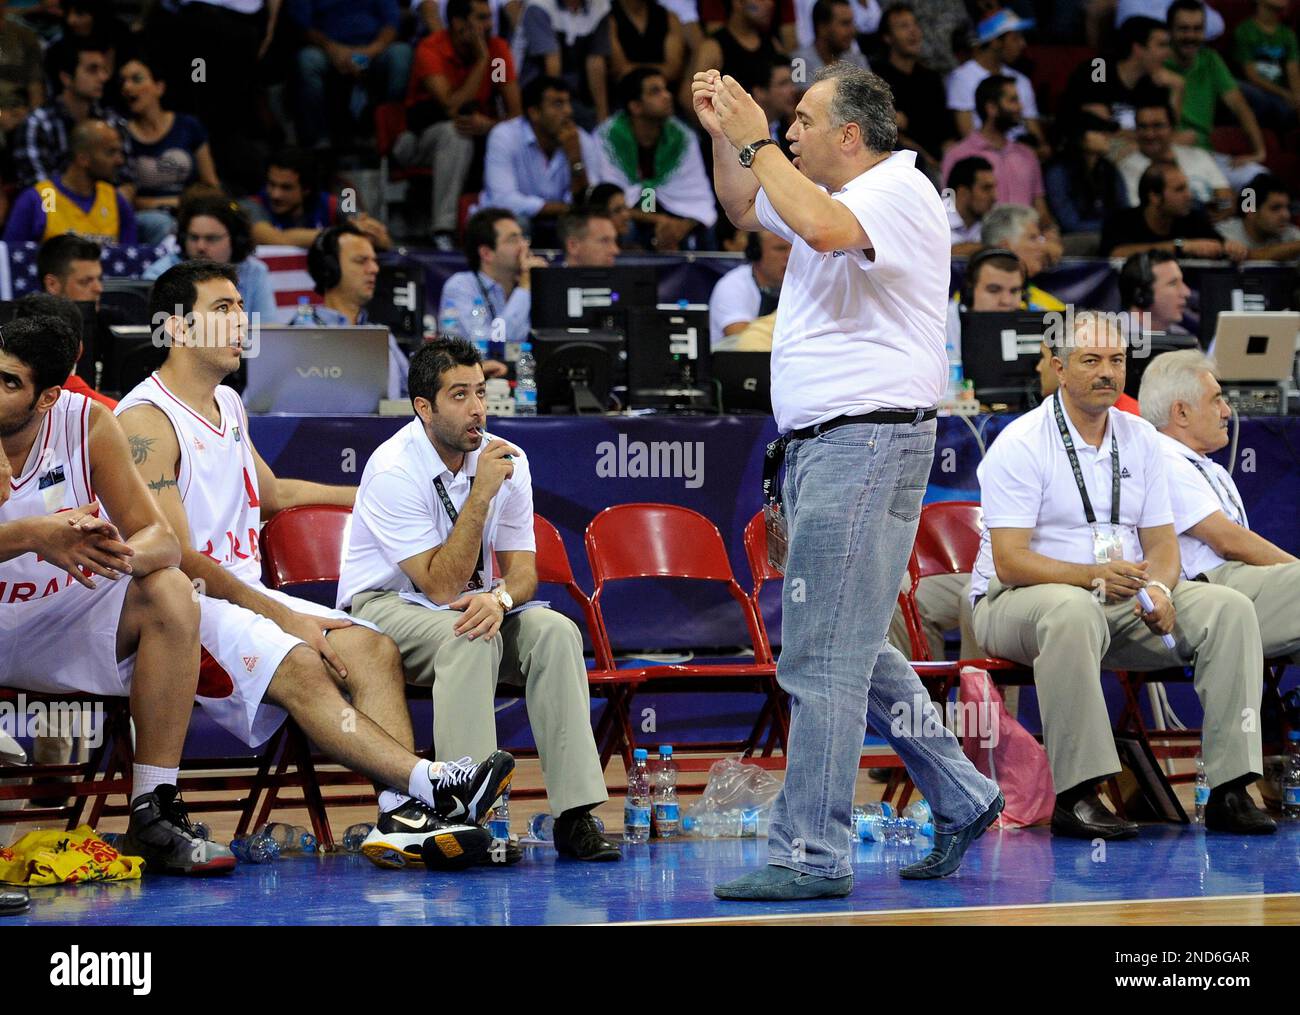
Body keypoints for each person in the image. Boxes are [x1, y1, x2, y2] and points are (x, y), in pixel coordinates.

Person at [697, 61, 1003, 899]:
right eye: (785, 122)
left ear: (850, 136)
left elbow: (823, 226)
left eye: (802, 119)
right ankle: (964, 791)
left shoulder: (898, 193)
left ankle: (813, 852)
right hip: (825, 449)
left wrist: (756, 137)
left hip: (865, 444)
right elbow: (744, 205)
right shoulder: (819, 199)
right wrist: (730, 134)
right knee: (851, 645)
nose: (788, 132)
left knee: (819, 653)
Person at [117, 261, 517, 870]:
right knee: (304, 659)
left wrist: (373, 497)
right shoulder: (146, 419)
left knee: (372, 646)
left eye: (238, 308)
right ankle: (433, 783)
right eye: (221, 309)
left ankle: (397, 817)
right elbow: (181, 558)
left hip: (242, 595)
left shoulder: (226, 401)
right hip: (185, 606)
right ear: (175, 328)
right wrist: (282, 614)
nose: (239, 322)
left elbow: (274, 493)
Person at [970, 310, 1274, 838]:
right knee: (1071, 610)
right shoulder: (1021, 443)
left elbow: (1160, 543)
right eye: (1091, 360)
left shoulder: (1140, 439)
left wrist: (1158, 586)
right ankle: (1077, 793)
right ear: (1060, 368)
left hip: (1119, 596)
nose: (1107, 372)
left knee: (1228, 609)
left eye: (1117, 360)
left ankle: (1230, 788)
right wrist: (1091, 576)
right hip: (1014, 600)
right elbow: (1010, 561)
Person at [337, 338, 623, 862]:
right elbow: (438, 586)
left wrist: (500, 597)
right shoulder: (393, 469)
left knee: (556, 634)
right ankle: (465, 820)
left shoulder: (508, 458)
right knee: (467, 634)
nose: (477, 409)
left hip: (470, 605)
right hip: (383, 610)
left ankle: (575, 815)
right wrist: (481, 495)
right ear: (423, 407)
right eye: (458, 395)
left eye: (481, 393)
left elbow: (524, 572)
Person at [0, 314, 238, 874]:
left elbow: (161, 539)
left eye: (10, 381)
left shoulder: (88, 423)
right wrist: (35, 534)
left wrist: (108, 550)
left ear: (47, 397)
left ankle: (153, 808)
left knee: (170, 590)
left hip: (55, 619)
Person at [1139, 349, 1299, 664]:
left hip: (1240, 583)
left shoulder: (1204, 464)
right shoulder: (1161, 459)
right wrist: (1293, 570)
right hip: (1207, 591)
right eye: (1216, 400)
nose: (1227, 410)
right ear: (1181, 413)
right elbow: (1228, 542)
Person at [399, 0, 523, 249]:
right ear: (458, 23)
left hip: (477, 132)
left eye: (490, 17)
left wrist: (490, 126)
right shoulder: (431, 49)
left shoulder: (496, 52)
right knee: (455, 134)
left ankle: (511, 225)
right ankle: (443, 230)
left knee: (509, 135)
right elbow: (451, 107)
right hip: (419, 139)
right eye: (481, 18)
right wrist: (481, 61)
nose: (489, 25)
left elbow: (515, 112)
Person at [594, 68, 718, 249]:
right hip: (632, 211)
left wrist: (682, 225)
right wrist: (660, 219)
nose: (667, 96)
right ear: (635, 106)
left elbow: (698, 197)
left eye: (666, 89)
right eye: (655, 91)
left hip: (668, 209)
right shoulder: (608, 137)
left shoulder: (682, 137)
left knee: (706, 228)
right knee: (626, 227)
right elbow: (607, 200)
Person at [1164, 0, 1269, 193]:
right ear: (1169, 31)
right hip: (1170, 156)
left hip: (1206, 154)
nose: (1191, 36)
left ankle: (1248, 216)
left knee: (1259, 181)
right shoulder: (1157, 63)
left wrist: (1258, 151)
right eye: (1183, 29)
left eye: (1197, 29)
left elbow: (1239, 106)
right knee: (1199, 191)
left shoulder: (1210, 59)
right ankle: (1222, 213)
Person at [117, 53, 220, 246]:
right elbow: (124, 198)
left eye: (136, 79)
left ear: (159, 87)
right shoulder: (120, 134)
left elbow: (211, 184)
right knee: (164, 225)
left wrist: (183, 206)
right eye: (123, 81)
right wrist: (169, 204)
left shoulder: (188, 126)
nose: (127, 87)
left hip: (191, 211)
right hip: (147, 218)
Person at [299, 224, 412, 399]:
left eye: (374, 261)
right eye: (361, 261)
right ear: (330, 267)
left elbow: (414, 401)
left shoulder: (384, 338)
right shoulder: (298, 335)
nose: (374, 269)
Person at [480, 75, 602, 237]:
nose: (568, 111)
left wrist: (576, 159)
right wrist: (563, 208)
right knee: (517, 224)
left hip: (560, 219)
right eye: (558, 104)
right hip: (510, 218)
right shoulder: (504, 135)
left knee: (589, 227)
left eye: (568, 103)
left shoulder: (580, 140)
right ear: (534, 112)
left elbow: (588, 201)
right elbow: (503, 200)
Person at [940, 76, 1057, 235]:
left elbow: (1041, 209)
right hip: (977, 245)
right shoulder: (957, 154)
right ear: (992, 108)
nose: (1020, 107)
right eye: (1013, 100)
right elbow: (948, 208)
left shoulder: (1027, 155)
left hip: (1026, 245)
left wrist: (1051, 234)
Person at [288, 0, 413, 149]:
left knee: (401, 54)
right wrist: (333, 49)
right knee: (307, 60)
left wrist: (367, 53)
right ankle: (318, 142)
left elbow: (392, 22)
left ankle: (392, 136)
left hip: (373, 50)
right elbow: (303, 26)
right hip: (329, 50)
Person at [12, 37, 130, 191]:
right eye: (92, 70)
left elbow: (126, 180)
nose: (103, 77)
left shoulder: (112, 122)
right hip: (54, 212)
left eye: (104, 70)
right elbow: (40, 191)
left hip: (104, 211)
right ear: (66, 78)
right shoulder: (38, 125)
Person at [143, 193, 279, 324]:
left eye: (211, 238)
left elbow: (268, 333)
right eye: (194, 237)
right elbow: (155, 339)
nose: (200, 246)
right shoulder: (160, 275)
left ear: (236, 240)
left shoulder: (255, 272)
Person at [3, 119, 137, 245]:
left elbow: (130, 258)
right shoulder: (38, 198)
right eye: (110, 152)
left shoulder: (115, 201)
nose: (120, 161)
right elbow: (11, 258)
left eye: (119, 152)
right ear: (83, 158)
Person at [438, 208, 538, 372]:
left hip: (524, 380)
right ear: (486, 253)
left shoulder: (531, 287)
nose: (524, 246)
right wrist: (524, 288)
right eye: (513, 240)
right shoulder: (460, 286)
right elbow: (490, 346)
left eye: (523, 237)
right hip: (476, 383)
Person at [240, 147, 392, 250]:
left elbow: (383, 240)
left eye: (286, 187)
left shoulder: (337, 203)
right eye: (272, 184)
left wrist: (369, 231)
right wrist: (345, 232)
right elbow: (278, 240)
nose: (275, 194)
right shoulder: (252, 206)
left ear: (306, 189)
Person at [945, 8, 1048, 156]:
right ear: (995, 42)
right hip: (983, 158)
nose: (1022, 44)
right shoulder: (962, 78)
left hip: (1023, 157)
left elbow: (1037, 136)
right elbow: (967, 135)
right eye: (1015, 38)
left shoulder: (1021, 80)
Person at [1100, 160, 1246, 259]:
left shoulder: (1193, 218)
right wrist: (1180, 246)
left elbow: (1219, 244)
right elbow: (1117, 254)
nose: (1189, 195)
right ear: (1155, 197)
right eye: (1179, 190)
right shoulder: (1121, 220)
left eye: (1187, 187)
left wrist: (1231, 248)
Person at [873, 3, 955, 177]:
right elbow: (889, 133)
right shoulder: (878, 77)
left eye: (915, 25)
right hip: (903, 162)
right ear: (887, 37)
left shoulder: (932, 78)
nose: (913, 32)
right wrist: (928, 161)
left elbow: (947, 131)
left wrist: (948, 160)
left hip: (939, 161)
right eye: (903, 26)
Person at [1116, 98, 1233, 218]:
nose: (1149, 134)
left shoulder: (1199, 155)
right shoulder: (1126, 169)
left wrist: (1214, 211)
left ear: (1172, 128)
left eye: (1157, 126)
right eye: (1143, 127)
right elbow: (1144, 216)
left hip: (1216, 227)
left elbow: (1226, 198)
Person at [1060, 15, 1179, 132]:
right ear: (1138, 48)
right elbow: (1098, 126)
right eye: (1161, 45)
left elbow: (1165, 133)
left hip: (1133, 147)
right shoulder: (1098, 68)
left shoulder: (1154, 82)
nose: (1168, 53)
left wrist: (1177, 89)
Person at [686, 0, 784, 121]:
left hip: (769, 129)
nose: (770, 4)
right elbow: (689, 98)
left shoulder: (773, 44)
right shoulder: (712, 47)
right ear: (737, 3)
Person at [1044, 113, 1128, 252]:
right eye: (1099, 131)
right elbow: (1069, 223)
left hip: (1109, 234)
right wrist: (1112, 226)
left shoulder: (1109, 170)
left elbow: (1124, 210)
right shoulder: (1059, 172)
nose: (1107, 136)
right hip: (1073, 238)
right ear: (1080, 136)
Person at [708, 228, 790, 349]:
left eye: (794, 249)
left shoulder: (801, 283)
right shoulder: (733, 286)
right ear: (755, 252)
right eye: (780, 249)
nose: (790, 256)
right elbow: (744, 344)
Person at [979, 203, 1064, 310]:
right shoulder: (965, 303)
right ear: (1004, 247)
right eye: (1033, 238)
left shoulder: (1050, 307)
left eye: (1040, 238)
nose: (1042, 246)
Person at [1232, 0, 1300, 132]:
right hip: (1257, 93)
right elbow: (1252, 76)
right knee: (1244, 90)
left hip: (1282, 98)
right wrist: (1284, 94)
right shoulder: (1244, 30)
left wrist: (1297, 98)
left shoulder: (1288, 35)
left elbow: (1294, 74)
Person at [1216, 172, 1300, 261]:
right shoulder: (1224, 234)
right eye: (1275, 208)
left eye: (1287, 207)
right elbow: (1250, 256)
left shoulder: (1290, 234)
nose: (1286, 215)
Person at [607, 0, 687, 89]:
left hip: (666, 91)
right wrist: (660, 68)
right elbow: (621, 71)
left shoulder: (669, 18)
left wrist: (632, 68)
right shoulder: (608, 19)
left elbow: (673, 70)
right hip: (627, 94)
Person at [792, 0, 869, 78]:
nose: (852, 31)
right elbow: (801, 90)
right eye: (845, 23)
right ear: (822, 28)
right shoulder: (799, 62)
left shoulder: (856, 60)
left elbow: (869, 89)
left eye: (852, 23)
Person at [945, 155, 996, 253]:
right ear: (963, 192)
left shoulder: (990, 222)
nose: (994, 196)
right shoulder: (934, 219)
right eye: (986, 188)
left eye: (994, 188)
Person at [751, 55, 797, 158]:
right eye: (783, 84)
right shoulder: (737, 133)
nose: (793, 89)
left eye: (791, 82)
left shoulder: (790, 133)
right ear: (760, 92)